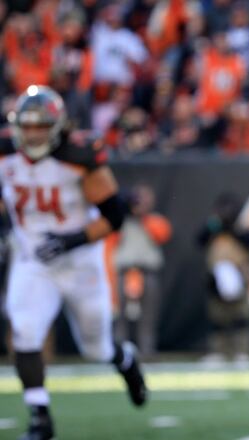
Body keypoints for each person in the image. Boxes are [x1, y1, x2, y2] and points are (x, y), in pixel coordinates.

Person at [1, 85, 146, 440]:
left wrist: (71, 239)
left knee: (96, 348)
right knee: (25, 331)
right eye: (28, 125)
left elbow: (115, 216)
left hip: (80, 260)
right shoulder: (5, 153)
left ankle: (123, 360)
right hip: (33, 260)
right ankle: (40, 417)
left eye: (41, 125)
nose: (33, 133)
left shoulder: (78, 155)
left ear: (58, 126)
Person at [112, 184, 172, 358]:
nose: (142, 203)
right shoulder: (121, 220)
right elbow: (111, 237)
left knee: (148, 316)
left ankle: (147, 351)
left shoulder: (155, 220)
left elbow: (162, 234)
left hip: (147, 272)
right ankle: (119, 352)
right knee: (120, 315)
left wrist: (143, 216)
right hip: (125, 272)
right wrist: (126, 210)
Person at [197, 192, 249, 365]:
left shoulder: (242, 228)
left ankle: (243, 352)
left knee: (240, 316)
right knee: (218, 317)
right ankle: (219, 352)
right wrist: (215, 226)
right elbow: (199, 240)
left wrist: (231, 228)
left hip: (239, 274)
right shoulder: (213, 228)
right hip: (216, 276)